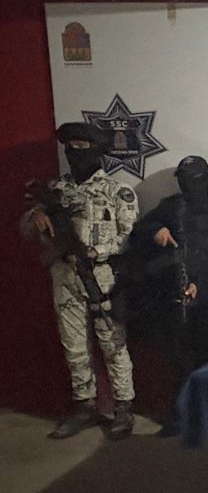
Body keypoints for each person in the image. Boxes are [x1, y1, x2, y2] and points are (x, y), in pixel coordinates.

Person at [22, 123, 138, 440]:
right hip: (64, 276)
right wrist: (34, 216)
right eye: (70, 147)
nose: (74, 153)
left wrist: (94, 251)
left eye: (82, 147)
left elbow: (128, 236)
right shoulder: (55, 191)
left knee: (112, 343)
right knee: (74, 346)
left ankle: (124, 407)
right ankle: (84, 405)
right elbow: (26, 229)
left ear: (98, 150)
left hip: (101, 277)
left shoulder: (117, 191)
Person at [129, 155, 208, 435]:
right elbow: (139, 231)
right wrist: (156, 230)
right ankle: (183, 416)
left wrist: (200, 284)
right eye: (185, 180)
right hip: (177, 299)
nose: (189, 185)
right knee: (180, 360)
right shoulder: (171, 208)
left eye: (194, 180)